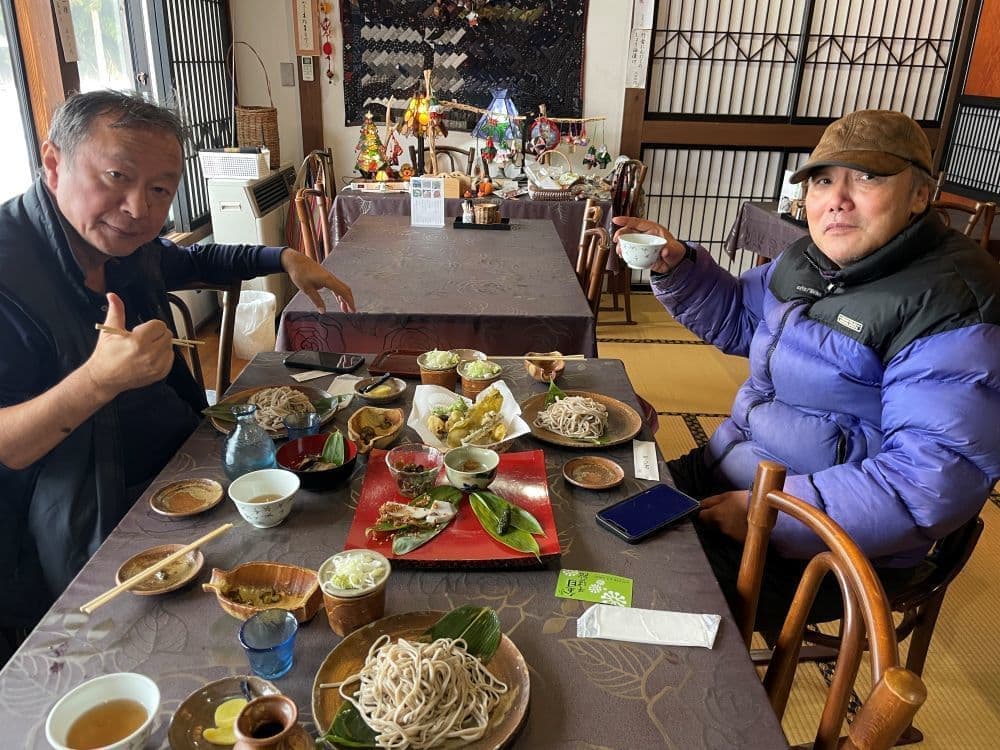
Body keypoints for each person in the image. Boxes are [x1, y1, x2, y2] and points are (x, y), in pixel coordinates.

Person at [613, 109, 1000, 631]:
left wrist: (769, 512)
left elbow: (925, 484)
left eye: (867, 177)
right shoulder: (807, 259)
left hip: (830, 541)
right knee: (603, 516)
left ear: (919, 195)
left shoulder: (954, 304)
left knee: (639, 595)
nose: (837, 199)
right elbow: (741, 319)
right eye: (822, 181)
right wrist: (677, 267)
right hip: (733, 471)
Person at [0, 91, 356, 654]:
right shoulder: (11, 269)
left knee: (326, 518)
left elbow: (192, 259)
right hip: (82, 534)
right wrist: (98, 380)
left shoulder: (122, 241)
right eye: (117, 176)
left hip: (185, 467)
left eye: (161, 189)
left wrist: (283, 258)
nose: (138, 208)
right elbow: (9, 447)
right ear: (53, 162)